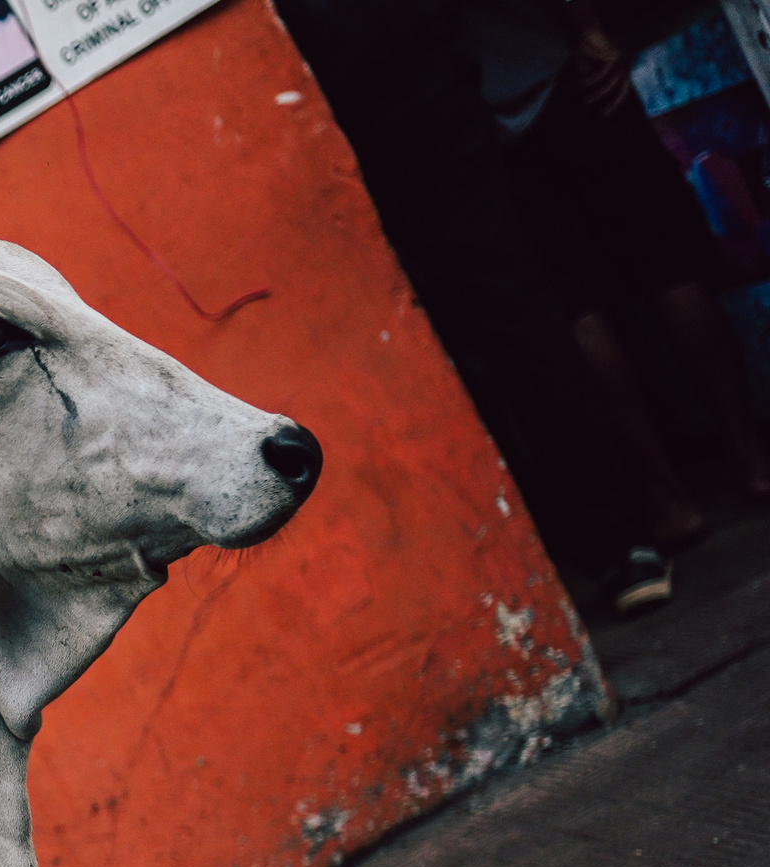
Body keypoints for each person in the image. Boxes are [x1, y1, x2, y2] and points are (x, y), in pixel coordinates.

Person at [275, 0, 675, 614]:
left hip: (356, 95)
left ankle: (559, 549)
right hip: (400, 85)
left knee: (462, 330)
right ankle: (610, 543)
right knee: (504, 316)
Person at [463, 0, 770, 548]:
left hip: (487, 124)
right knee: (667, 267)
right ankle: (753, 459)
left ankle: (669, 501)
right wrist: (590, 30)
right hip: (570, 72)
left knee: (579, 309)